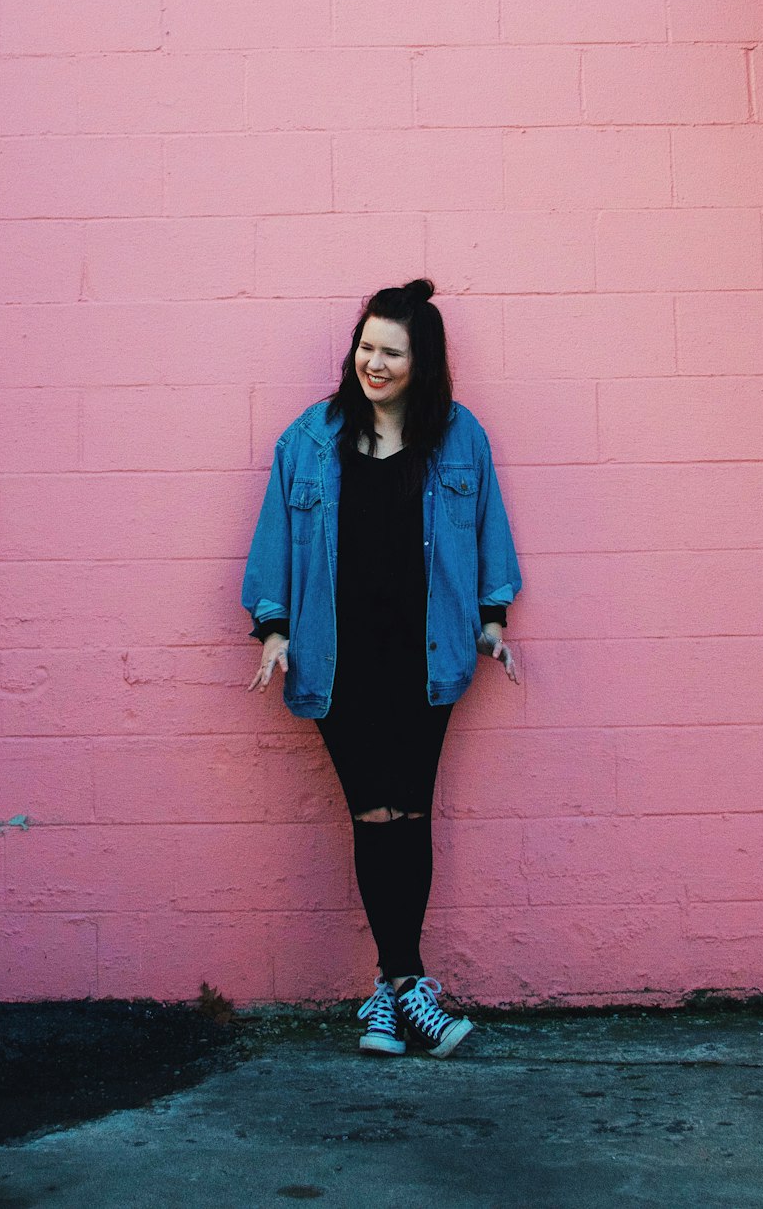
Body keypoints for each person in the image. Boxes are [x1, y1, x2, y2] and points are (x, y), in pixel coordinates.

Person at [242, 279, 521, 1058]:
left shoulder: (460, 439)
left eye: (390, 351)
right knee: (373, 815)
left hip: (427, 656)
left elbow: (488, 530)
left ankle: (386, 998)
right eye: (366, 347)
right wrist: (271, 628)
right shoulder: (308, 440)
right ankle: (410, 989)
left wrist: (493, 623)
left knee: (412, 813)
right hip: (340, 662)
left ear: (420, 361)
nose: (374, 362)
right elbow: (273, 544)